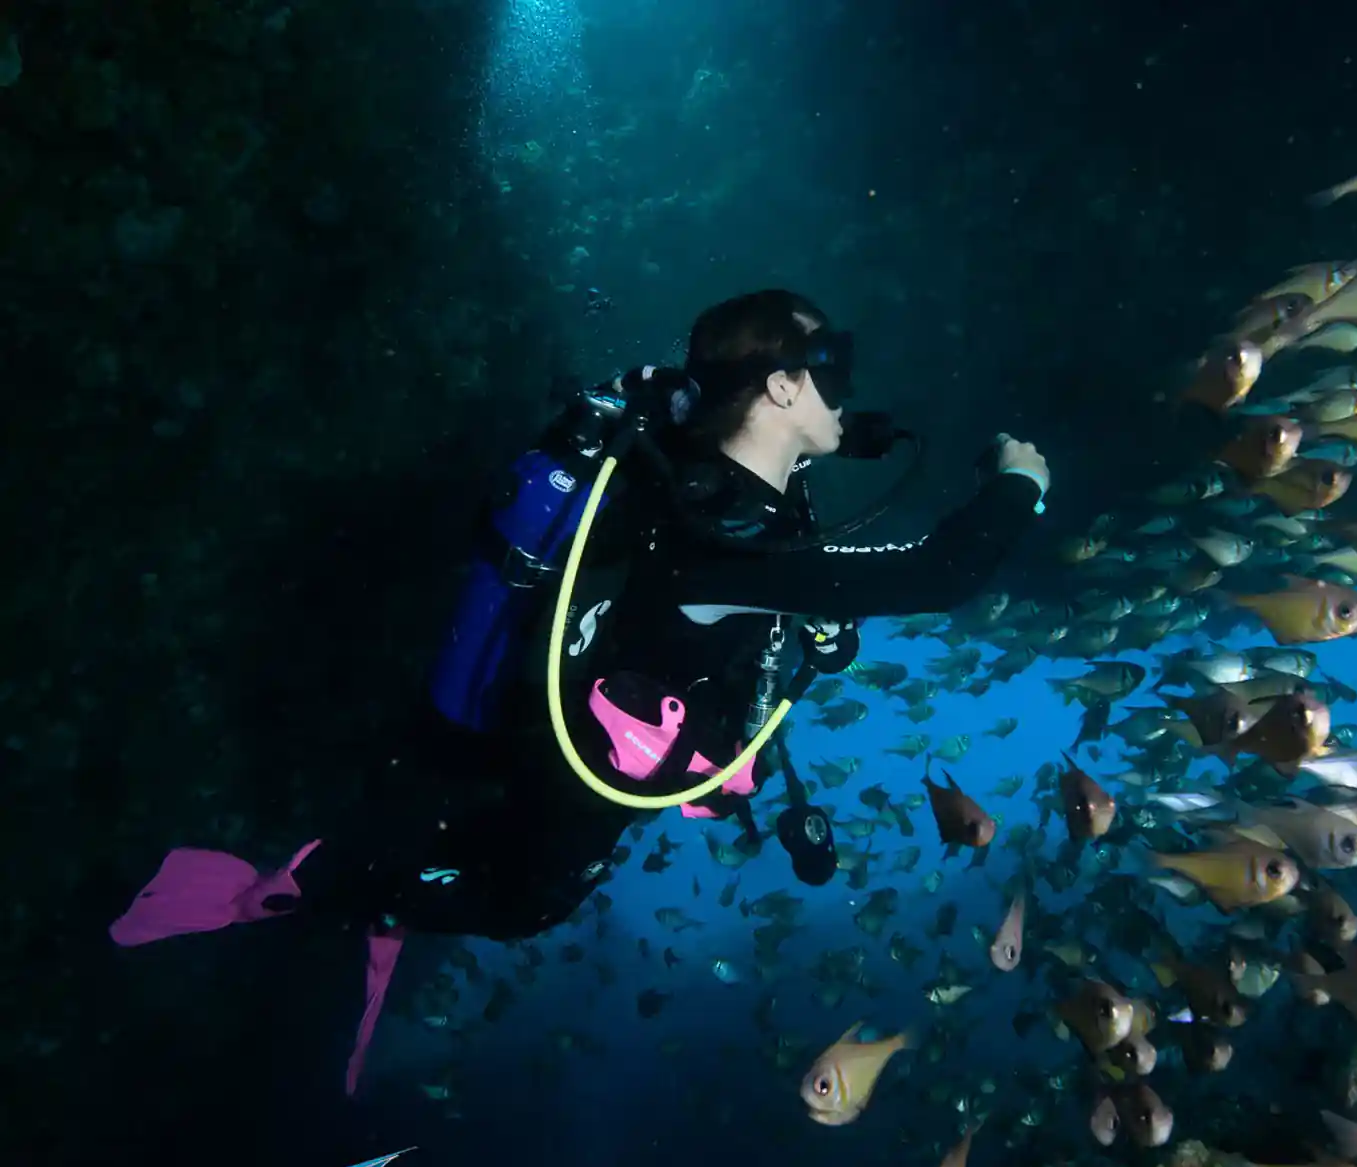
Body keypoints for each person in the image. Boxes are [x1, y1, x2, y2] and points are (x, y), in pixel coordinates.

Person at [107, 288, 1051, 1092]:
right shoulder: (723, 535)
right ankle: (311, 887)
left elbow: (775, 605)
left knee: (495, 852)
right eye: (830, 364)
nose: (848, 386)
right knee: (526, 903)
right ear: (780, 387)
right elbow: (935, 573)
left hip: (600, 728)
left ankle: (382, 865)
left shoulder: (719, 492)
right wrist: (1020, 484)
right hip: (584, 764)